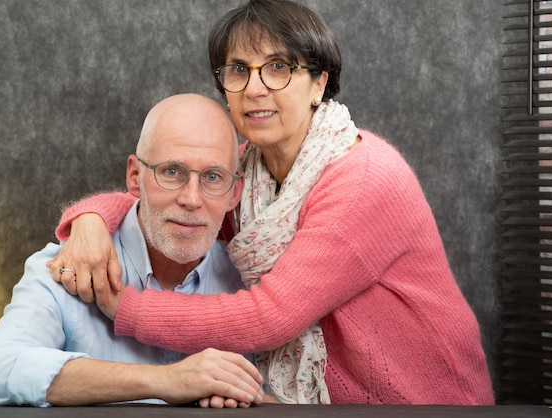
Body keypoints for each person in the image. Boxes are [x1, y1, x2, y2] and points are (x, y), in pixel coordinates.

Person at [49, 0, 495, 405]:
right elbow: (174, 199)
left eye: (278, 67)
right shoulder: (251, 173)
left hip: (424, 405)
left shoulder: (364, 178)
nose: (255, 88)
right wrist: (88, 220)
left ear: (319, 83)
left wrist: (123, 307)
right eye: (238, 69)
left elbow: (270, 317)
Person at [0, 93, 266, 408]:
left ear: (234, 192)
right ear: (135, 177)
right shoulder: (69, 266)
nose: (192, 199)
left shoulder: (253, 282)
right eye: (172, 172)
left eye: (212, 177)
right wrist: (170, 380)